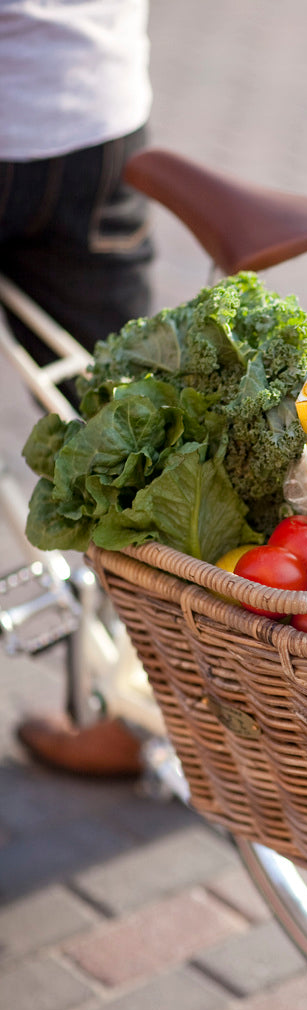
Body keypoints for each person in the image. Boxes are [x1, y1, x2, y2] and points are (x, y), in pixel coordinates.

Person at [1, 1, 155, 776]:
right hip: (93, 111)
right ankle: (148, 706)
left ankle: (153, 702)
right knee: (132, 443)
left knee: (127, 439)